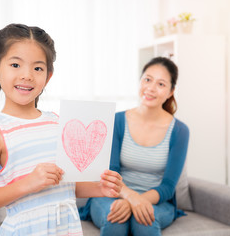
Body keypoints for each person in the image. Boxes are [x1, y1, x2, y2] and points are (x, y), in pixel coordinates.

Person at [0, 23, 122, 236]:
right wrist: (28, 183)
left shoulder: (58, 123)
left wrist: (99, 188)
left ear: (48, 76)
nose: (27, 75)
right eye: (15, 65)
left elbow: (65, 185)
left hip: (67, 229)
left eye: (37, 68)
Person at [79, 57, 189, 236]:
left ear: (171, 91)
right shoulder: (117, 121)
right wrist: (130, 197)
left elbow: (168, 186)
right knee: (115, 220)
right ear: (140, 82)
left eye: (161, 84)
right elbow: (110, 173)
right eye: (147, 79)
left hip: (157, 201)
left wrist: (137, 201)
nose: (151, 88)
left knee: (144, 220)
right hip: (112, 195)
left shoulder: (180, 130)